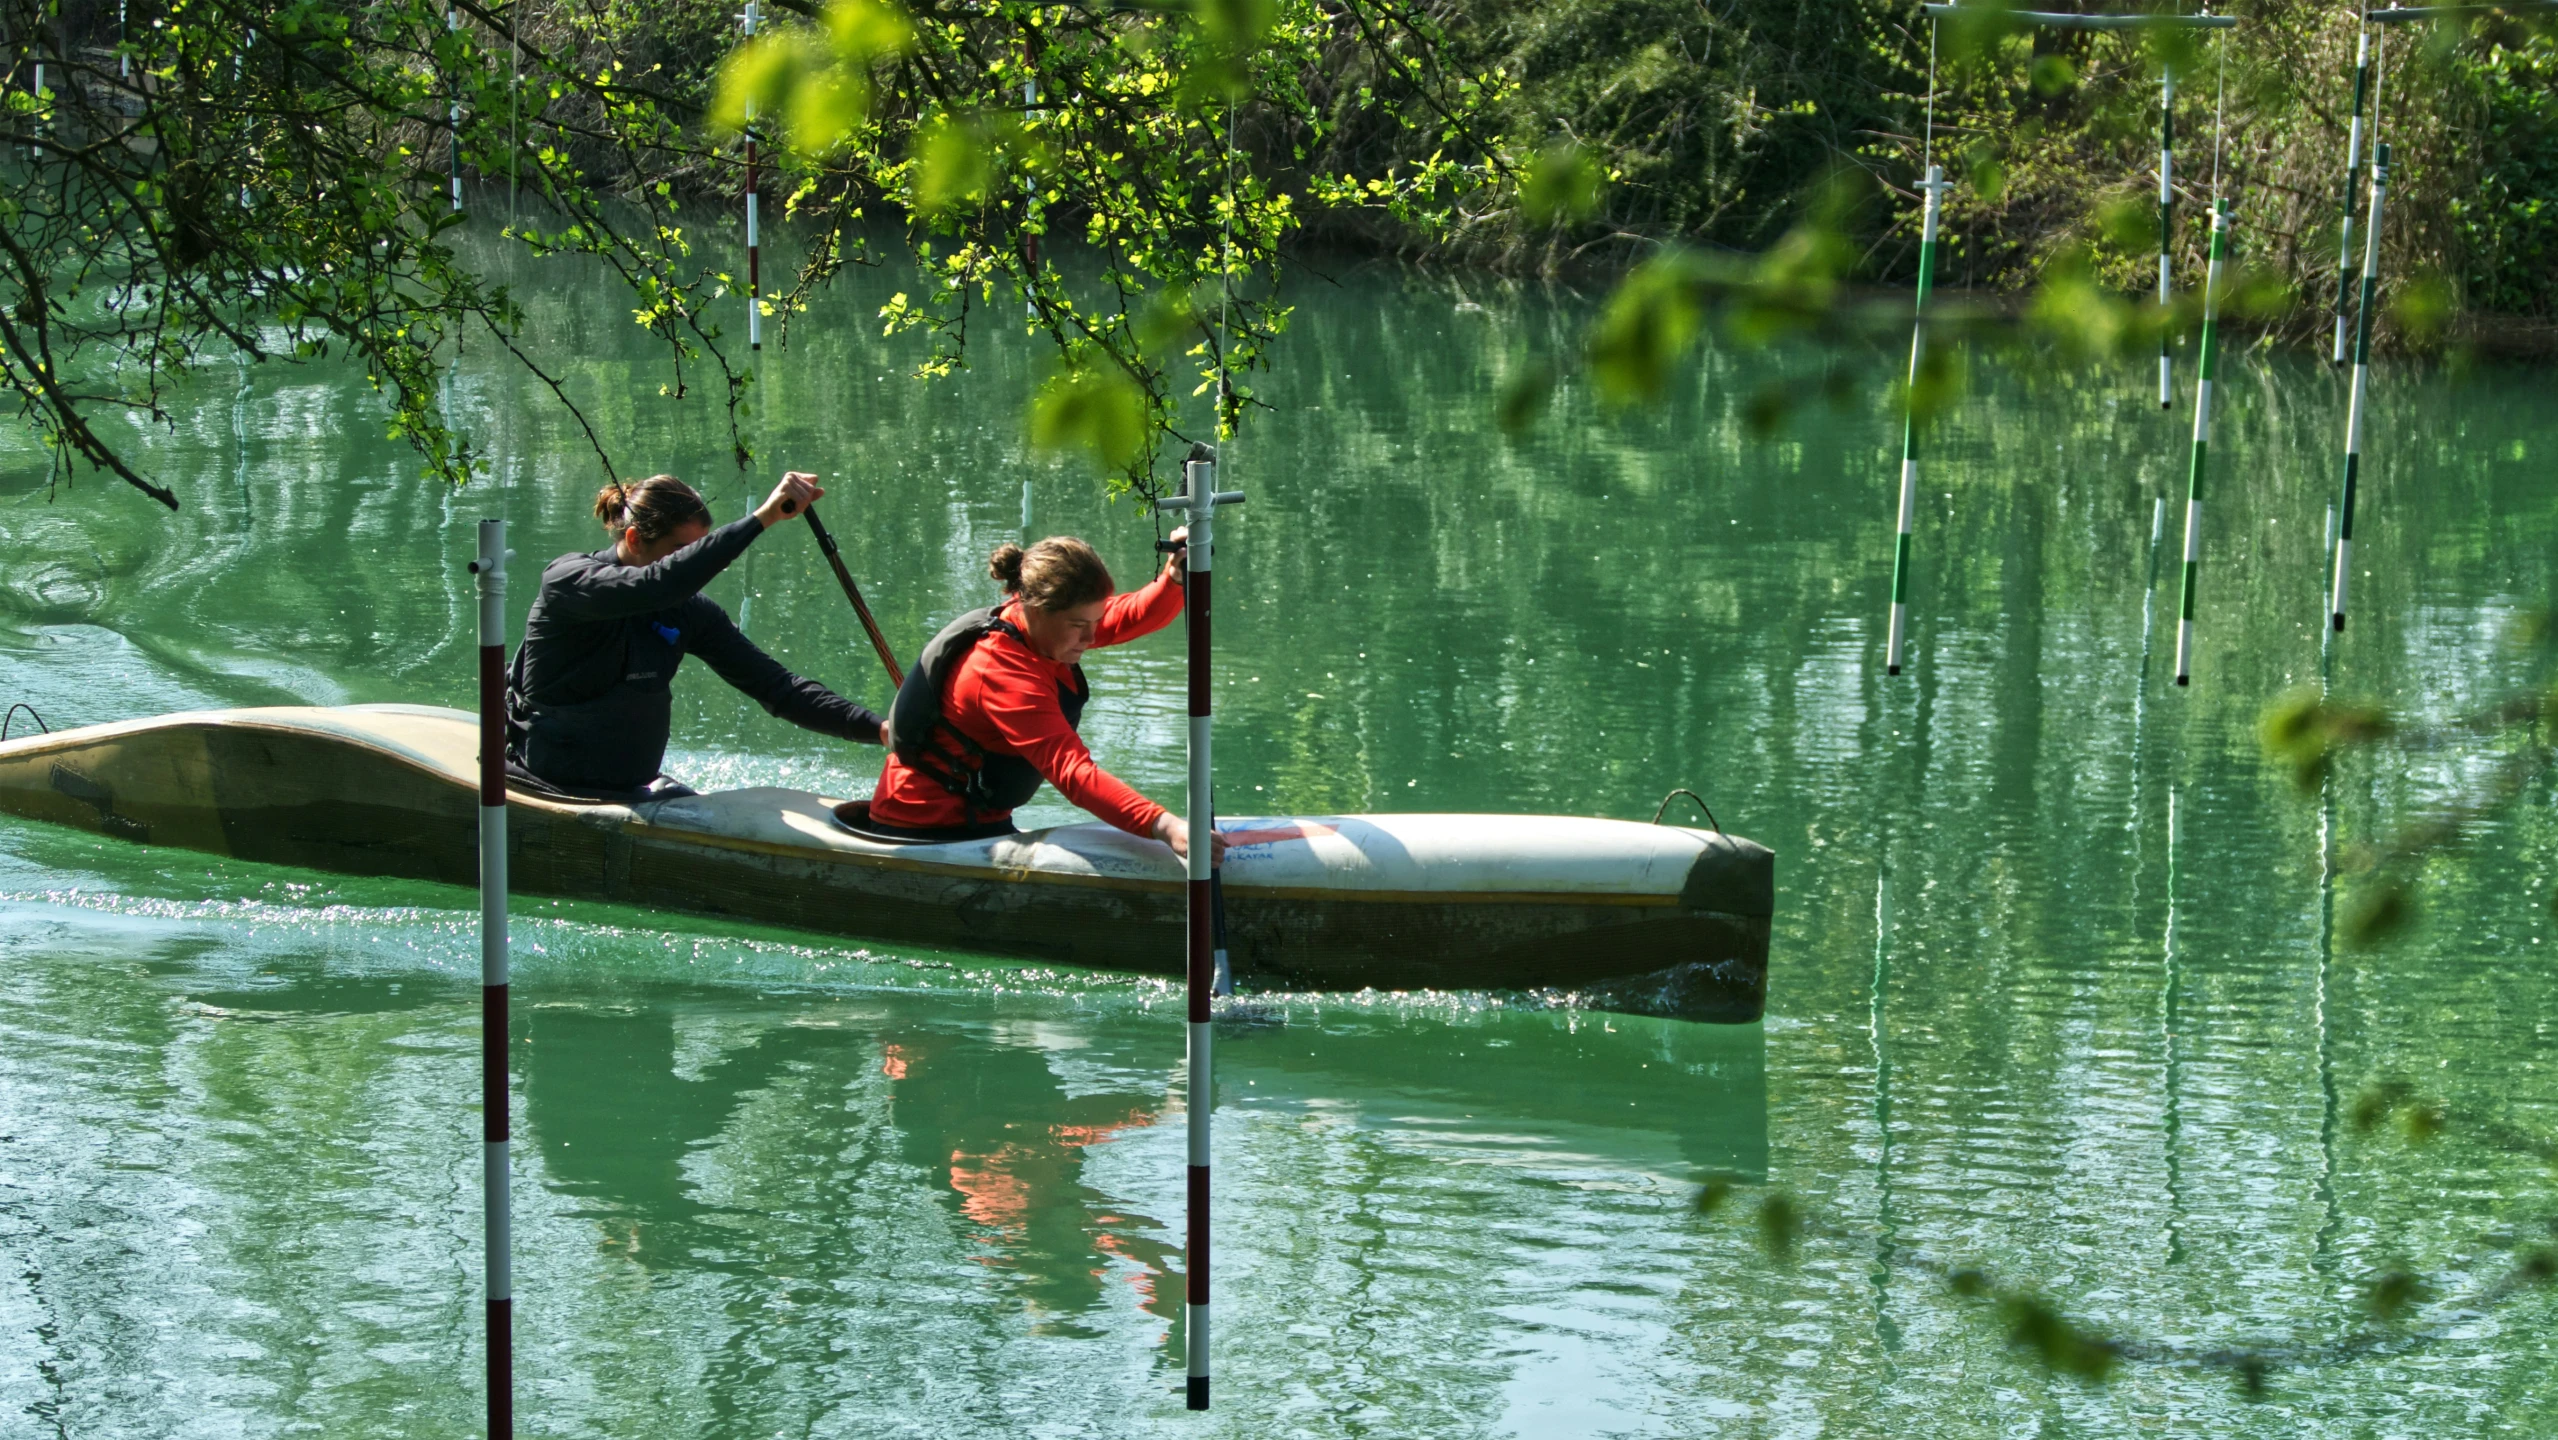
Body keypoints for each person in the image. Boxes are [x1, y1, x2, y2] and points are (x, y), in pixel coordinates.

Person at [506, 471, 884, 802]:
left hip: (632, 789)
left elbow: (778, 689)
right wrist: (763, 518)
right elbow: (659, 584)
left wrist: (879, 729)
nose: (693, 565)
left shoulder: (689, 611)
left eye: (698, 550)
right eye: (681, 552)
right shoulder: (568, 582)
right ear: (635, 539)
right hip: (549, 781)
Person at [863, 533, 1221, 860]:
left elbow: (1127, 615)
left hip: (977, 823)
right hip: (922, 832)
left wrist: (1173, 577)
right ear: (1033, 607)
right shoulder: (1002, 672)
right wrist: (1164, 825)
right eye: (1079, 626)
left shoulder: (1046, 626)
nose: (1091, 637)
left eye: (1095, 622)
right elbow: (1073, 772)